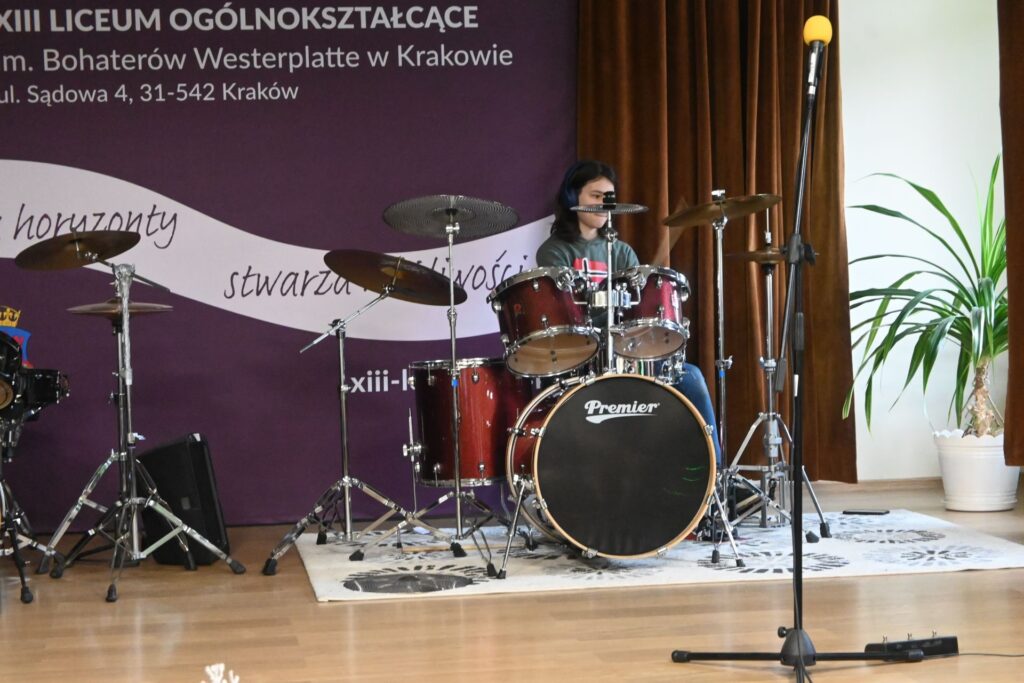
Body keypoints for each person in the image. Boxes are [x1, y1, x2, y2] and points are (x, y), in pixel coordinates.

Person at [536, 159, 723, 466]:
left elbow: (636, 311)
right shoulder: (554, 251)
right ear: (573, 197)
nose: (604, 204)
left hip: (626, 351)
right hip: (583, 354)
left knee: (691, 376)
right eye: (596, 195)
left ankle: (715, 476)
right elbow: (568, 314)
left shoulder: (622, 251)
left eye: (608, 197)